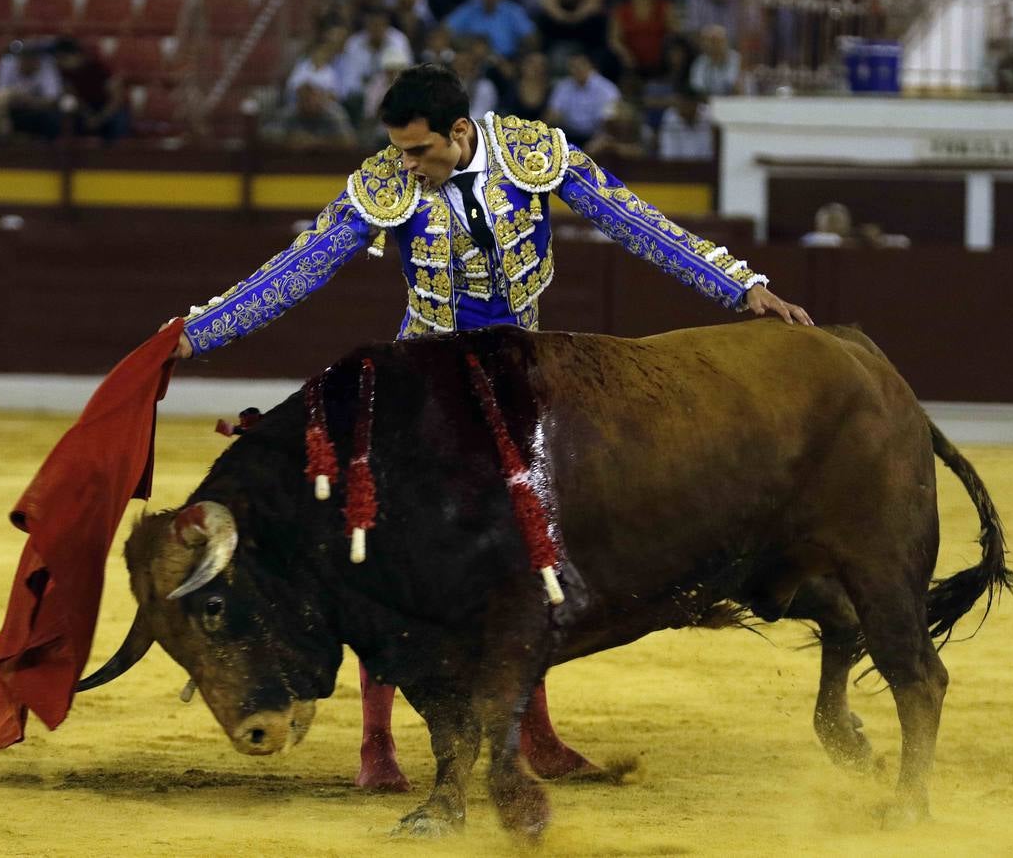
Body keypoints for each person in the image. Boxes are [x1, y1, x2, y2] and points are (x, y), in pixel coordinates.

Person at [163, 64, 812, 791]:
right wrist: (196, 335)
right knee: (383, 556)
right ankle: (377, 745)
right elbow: (298, 268)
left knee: (529, 556)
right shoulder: (385, 184)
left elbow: (635, 223)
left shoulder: (533, 156)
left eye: (419, 152)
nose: (406, 166)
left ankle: (535, 734)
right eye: (400, 152)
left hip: (515, 382)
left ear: (460, 132)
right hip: (421, 389)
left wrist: (739, 286)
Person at [444, 0, 539, 60]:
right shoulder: (469, 9)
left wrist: (520, 55)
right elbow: (445, 30)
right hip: (473, 60)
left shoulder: (513, 11)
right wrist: (468, 42)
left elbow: (532, 38)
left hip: (505, 60)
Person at [51, 37, 130, 142]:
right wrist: (87, 115)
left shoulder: (100, 67)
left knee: (119, 121)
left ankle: (117, 154)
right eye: (58, 59)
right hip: (87, 109)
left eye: (64, 58)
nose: (60, 62)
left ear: (77, 55)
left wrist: (99, 118)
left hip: (109, 109)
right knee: (62, 118)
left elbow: (117, 99)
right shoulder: (65, 73)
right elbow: (75, 98)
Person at [546, 51, 621, 148]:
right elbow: (552, 114)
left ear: (591, 66)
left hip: (596, 136)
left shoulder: (607, 89)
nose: (577, 69)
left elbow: (609, 123)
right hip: (568, 135)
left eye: (581, 65)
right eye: (573, 66)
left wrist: (597, 142)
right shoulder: (563, 86)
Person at [0, 39, 63, 140]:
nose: (26, 60)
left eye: (30, 56)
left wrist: (27, 100)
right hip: (13, 111)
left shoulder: (47, 64)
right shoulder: (8, 63)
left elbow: (52, 99)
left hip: (38, 112)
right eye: (23, 56)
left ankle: (48, 151)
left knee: (52, 118)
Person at [262, 82, 357, 149]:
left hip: (329, 167)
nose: (310, 103)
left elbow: (350, 141)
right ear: (298, 101)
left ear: (321, 99)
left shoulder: (333, 113)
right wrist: (287, 139)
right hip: (292, 167)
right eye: (305, 100)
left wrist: (315, 142)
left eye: (313, 99)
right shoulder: (289, 113)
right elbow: (266, 136)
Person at [656, 87, 714, 160]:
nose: (684, 108)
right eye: (680, 104)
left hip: (706, 167)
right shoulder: (670, 117)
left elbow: (711, 152)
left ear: (696, 104)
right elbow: (668, 155)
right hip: (678, 168)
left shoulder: (709, 115)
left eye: (687, 104)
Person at [688, 23, 741, 96]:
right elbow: (698, 88)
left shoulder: (737, 59)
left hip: (734, 102)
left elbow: (736, 86)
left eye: (717, 41)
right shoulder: (700, 62)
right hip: (710, 103)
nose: (713, 45)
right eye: (709, 41)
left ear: (726, 41)